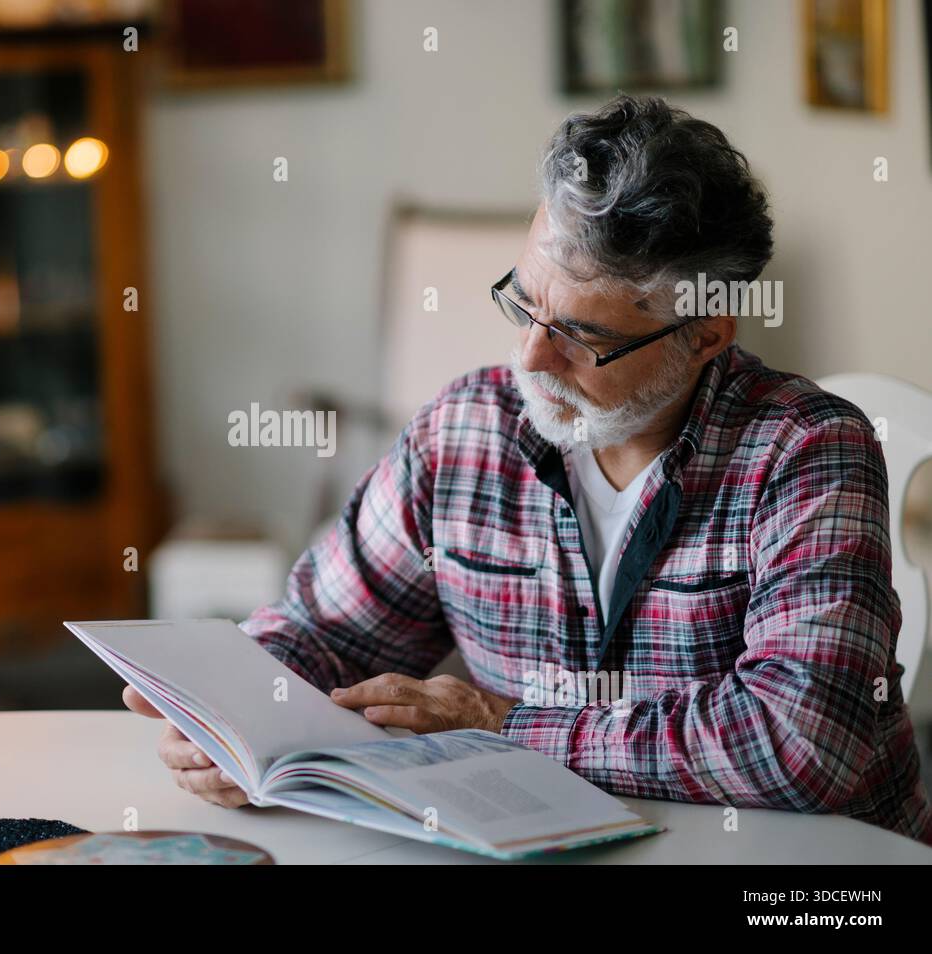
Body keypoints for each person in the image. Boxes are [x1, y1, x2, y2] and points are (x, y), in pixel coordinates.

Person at [124, 94, 932, 844]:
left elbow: (801, 744)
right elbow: (323, 631)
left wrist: (500, 722)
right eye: (523, 301)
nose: (528, 355)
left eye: (582, 335)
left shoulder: (809, 452)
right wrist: (231, 713)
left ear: (708, 334)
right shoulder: (465, 430)